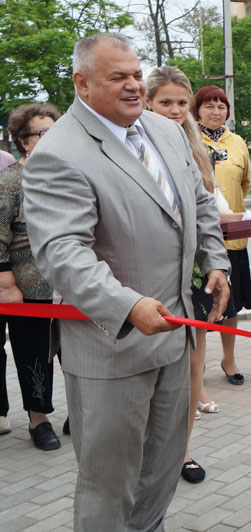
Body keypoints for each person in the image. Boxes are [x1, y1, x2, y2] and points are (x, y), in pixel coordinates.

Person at [22, 33, 230, 530]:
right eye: (119, 77)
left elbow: (198, 200)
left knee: (159, 476)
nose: (135, 85)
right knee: (109, 486)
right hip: (112, 351)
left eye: (137, 74)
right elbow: (61, 253)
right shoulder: (60, 152)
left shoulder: (165, 129)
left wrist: (215, 259)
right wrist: (127, 305)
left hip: (176, 343)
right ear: (82, 83)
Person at [145, 65, 240, 484]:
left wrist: (215, 263)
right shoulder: (134, 144)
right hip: (145, 279)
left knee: (191, 369)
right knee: (150, 374)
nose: (175, 111)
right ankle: (148, 456)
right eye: (165, 102)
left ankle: (181, 453)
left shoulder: (195, 146)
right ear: (147, 102)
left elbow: (205, 211)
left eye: (182, 103)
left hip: (193, 276)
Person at [0, 103, 63, 451]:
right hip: (29, 287)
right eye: (43, 134)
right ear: (24, 142)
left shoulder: (68, 175)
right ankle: (38, 420)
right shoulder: (10, 182)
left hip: (71, 285)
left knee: (76, 352)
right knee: (33, 354)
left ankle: (79, 414)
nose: (51, 139)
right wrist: (7, 286)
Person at [193, 85, 251, 386]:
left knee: (233, 306)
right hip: (202, 241)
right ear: (197, 109)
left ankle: (229, 360)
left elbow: (244, 184)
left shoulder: (238, 141)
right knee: (201, 306)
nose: (216, 111)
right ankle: (196, 367)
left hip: (234, 238)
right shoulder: (188, 138)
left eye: (221, 106)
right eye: (209, 106)